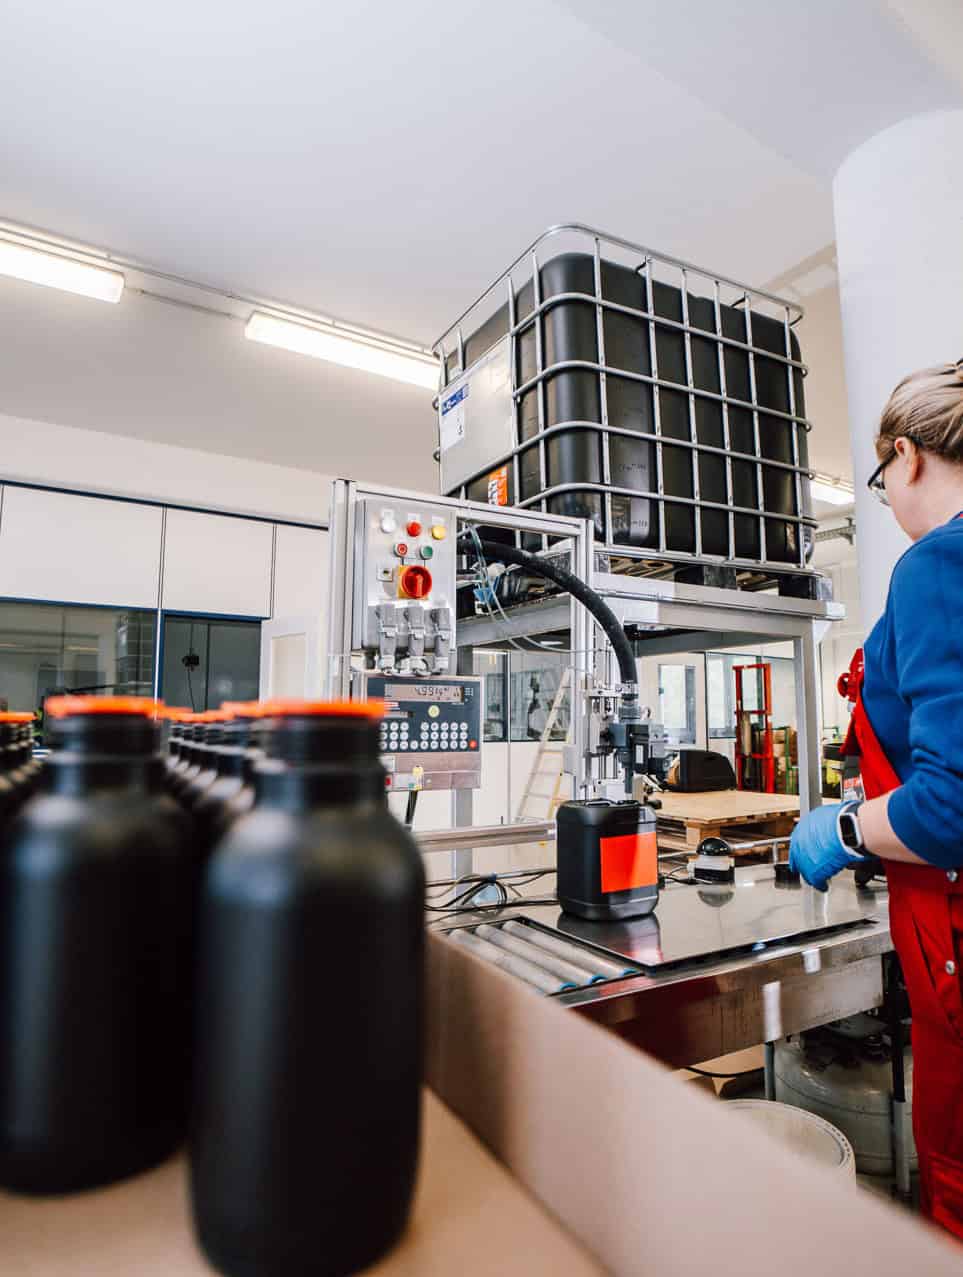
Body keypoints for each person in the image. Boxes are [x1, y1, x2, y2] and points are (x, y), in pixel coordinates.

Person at [790, 358, 963, 1237]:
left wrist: (848, 827)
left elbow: (951, 808)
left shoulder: (937, 563)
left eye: (880, 477)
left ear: (905, 454)